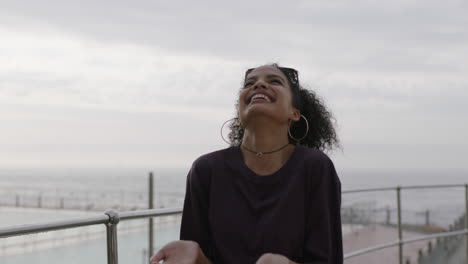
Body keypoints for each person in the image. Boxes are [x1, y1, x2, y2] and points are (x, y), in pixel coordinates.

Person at [150, 64, 343, 264]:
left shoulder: (315, 167)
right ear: (239, 111)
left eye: (274, 81)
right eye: (249, 83)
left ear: (294, 112)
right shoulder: (206, 170)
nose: (258, 84)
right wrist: (197, 257)